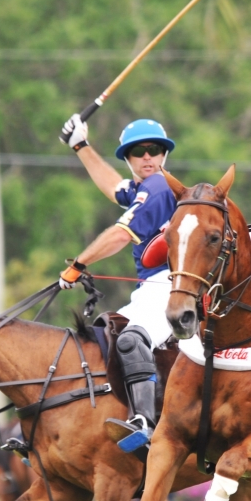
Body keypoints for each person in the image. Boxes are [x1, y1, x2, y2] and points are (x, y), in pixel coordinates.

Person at [58, 113, 178, 448]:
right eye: (137, 152)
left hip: (171, 285)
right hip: (150, 290)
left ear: (164, 154)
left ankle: (145, 424)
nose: (146, 157)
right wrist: (80, 146)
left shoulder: (158, 186)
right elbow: (113, 188)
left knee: (129, 340)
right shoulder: (142, 187)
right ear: (127, 158)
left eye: (153, 149)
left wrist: (79, 264)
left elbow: (121, 235)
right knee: (101, 341)